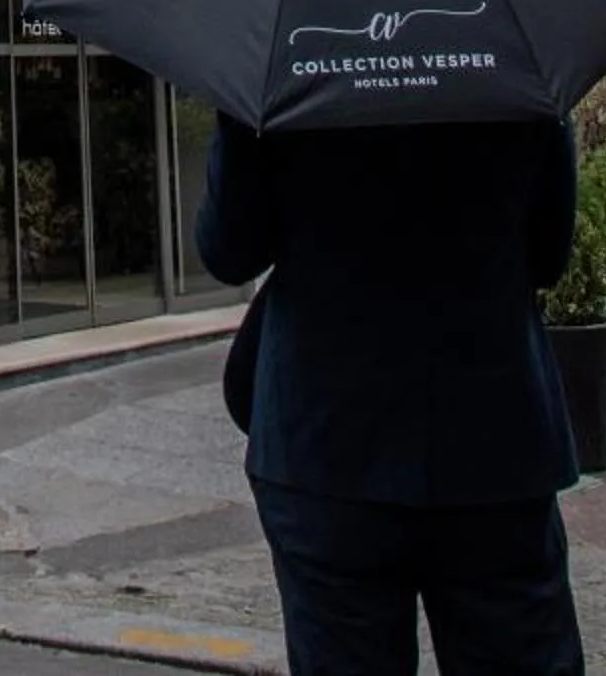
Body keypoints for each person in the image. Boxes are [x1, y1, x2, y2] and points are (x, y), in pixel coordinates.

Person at [197, 111, 584, 676]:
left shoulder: (284, 73)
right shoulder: (510, 63)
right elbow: (549, 255)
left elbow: (229, 251)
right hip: (494, 437)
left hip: (325, 440)